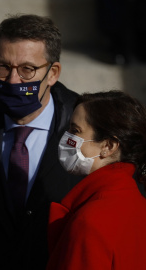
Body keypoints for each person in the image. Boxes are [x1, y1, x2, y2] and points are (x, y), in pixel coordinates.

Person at [0, 14, 82, 270]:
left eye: (27, 69)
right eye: (3, 67)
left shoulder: (93, 143)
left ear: (52, 73)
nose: (12, 80)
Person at [46, 90, 146, 270]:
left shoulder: (90, 221)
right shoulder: (137, 203)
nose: (67, 136)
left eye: (75, 130)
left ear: (108, 146)